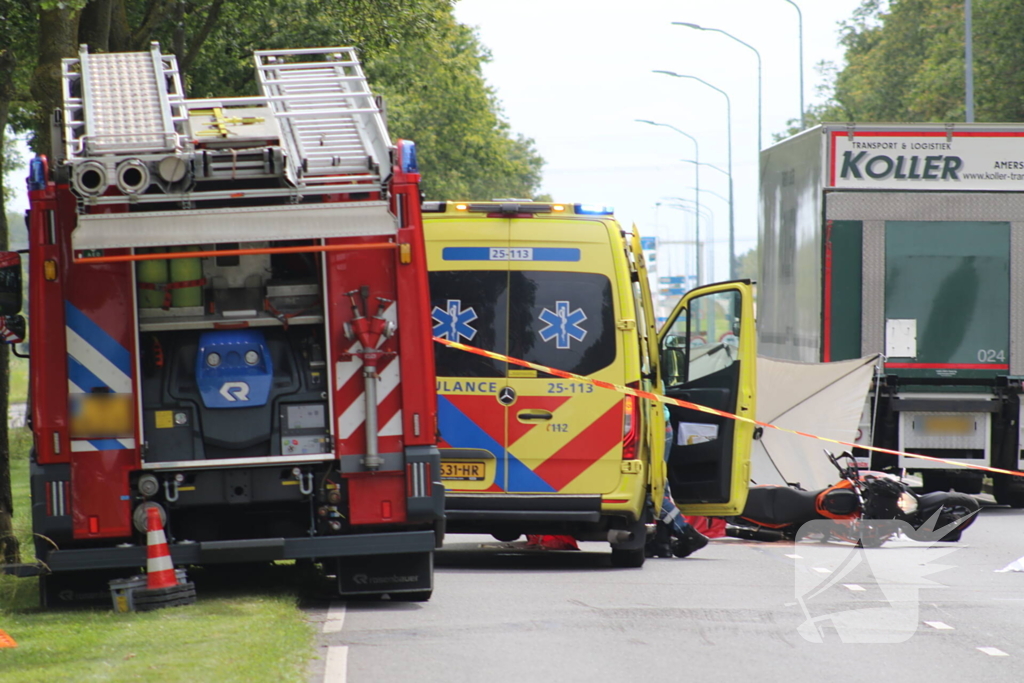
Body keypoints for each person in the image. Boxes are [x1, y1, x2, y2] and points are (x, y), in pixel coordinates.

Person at [647, 406, 709, 558]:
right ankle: (662, 543)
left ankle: (686, 533)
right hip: (655, 422)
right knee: (659, 485)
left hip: (651, 425)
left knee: (650, 489)